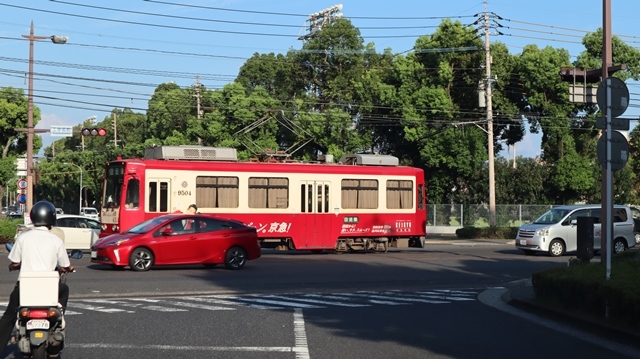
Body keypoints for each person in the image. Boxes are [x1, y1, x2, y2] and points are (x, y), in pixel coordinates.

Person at [0, 201, 74, 354]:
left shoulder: (23, 238)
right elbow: (65, 265)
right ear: (51, 218)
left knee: (9, 317)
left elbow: (15, 263)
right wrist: (69, 268)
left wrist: (13, 267)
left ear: (33, 217)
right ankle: (58, 320)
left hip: (26, 288)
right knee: (64, 289)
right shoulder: (56, 240)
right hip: (50, 289)